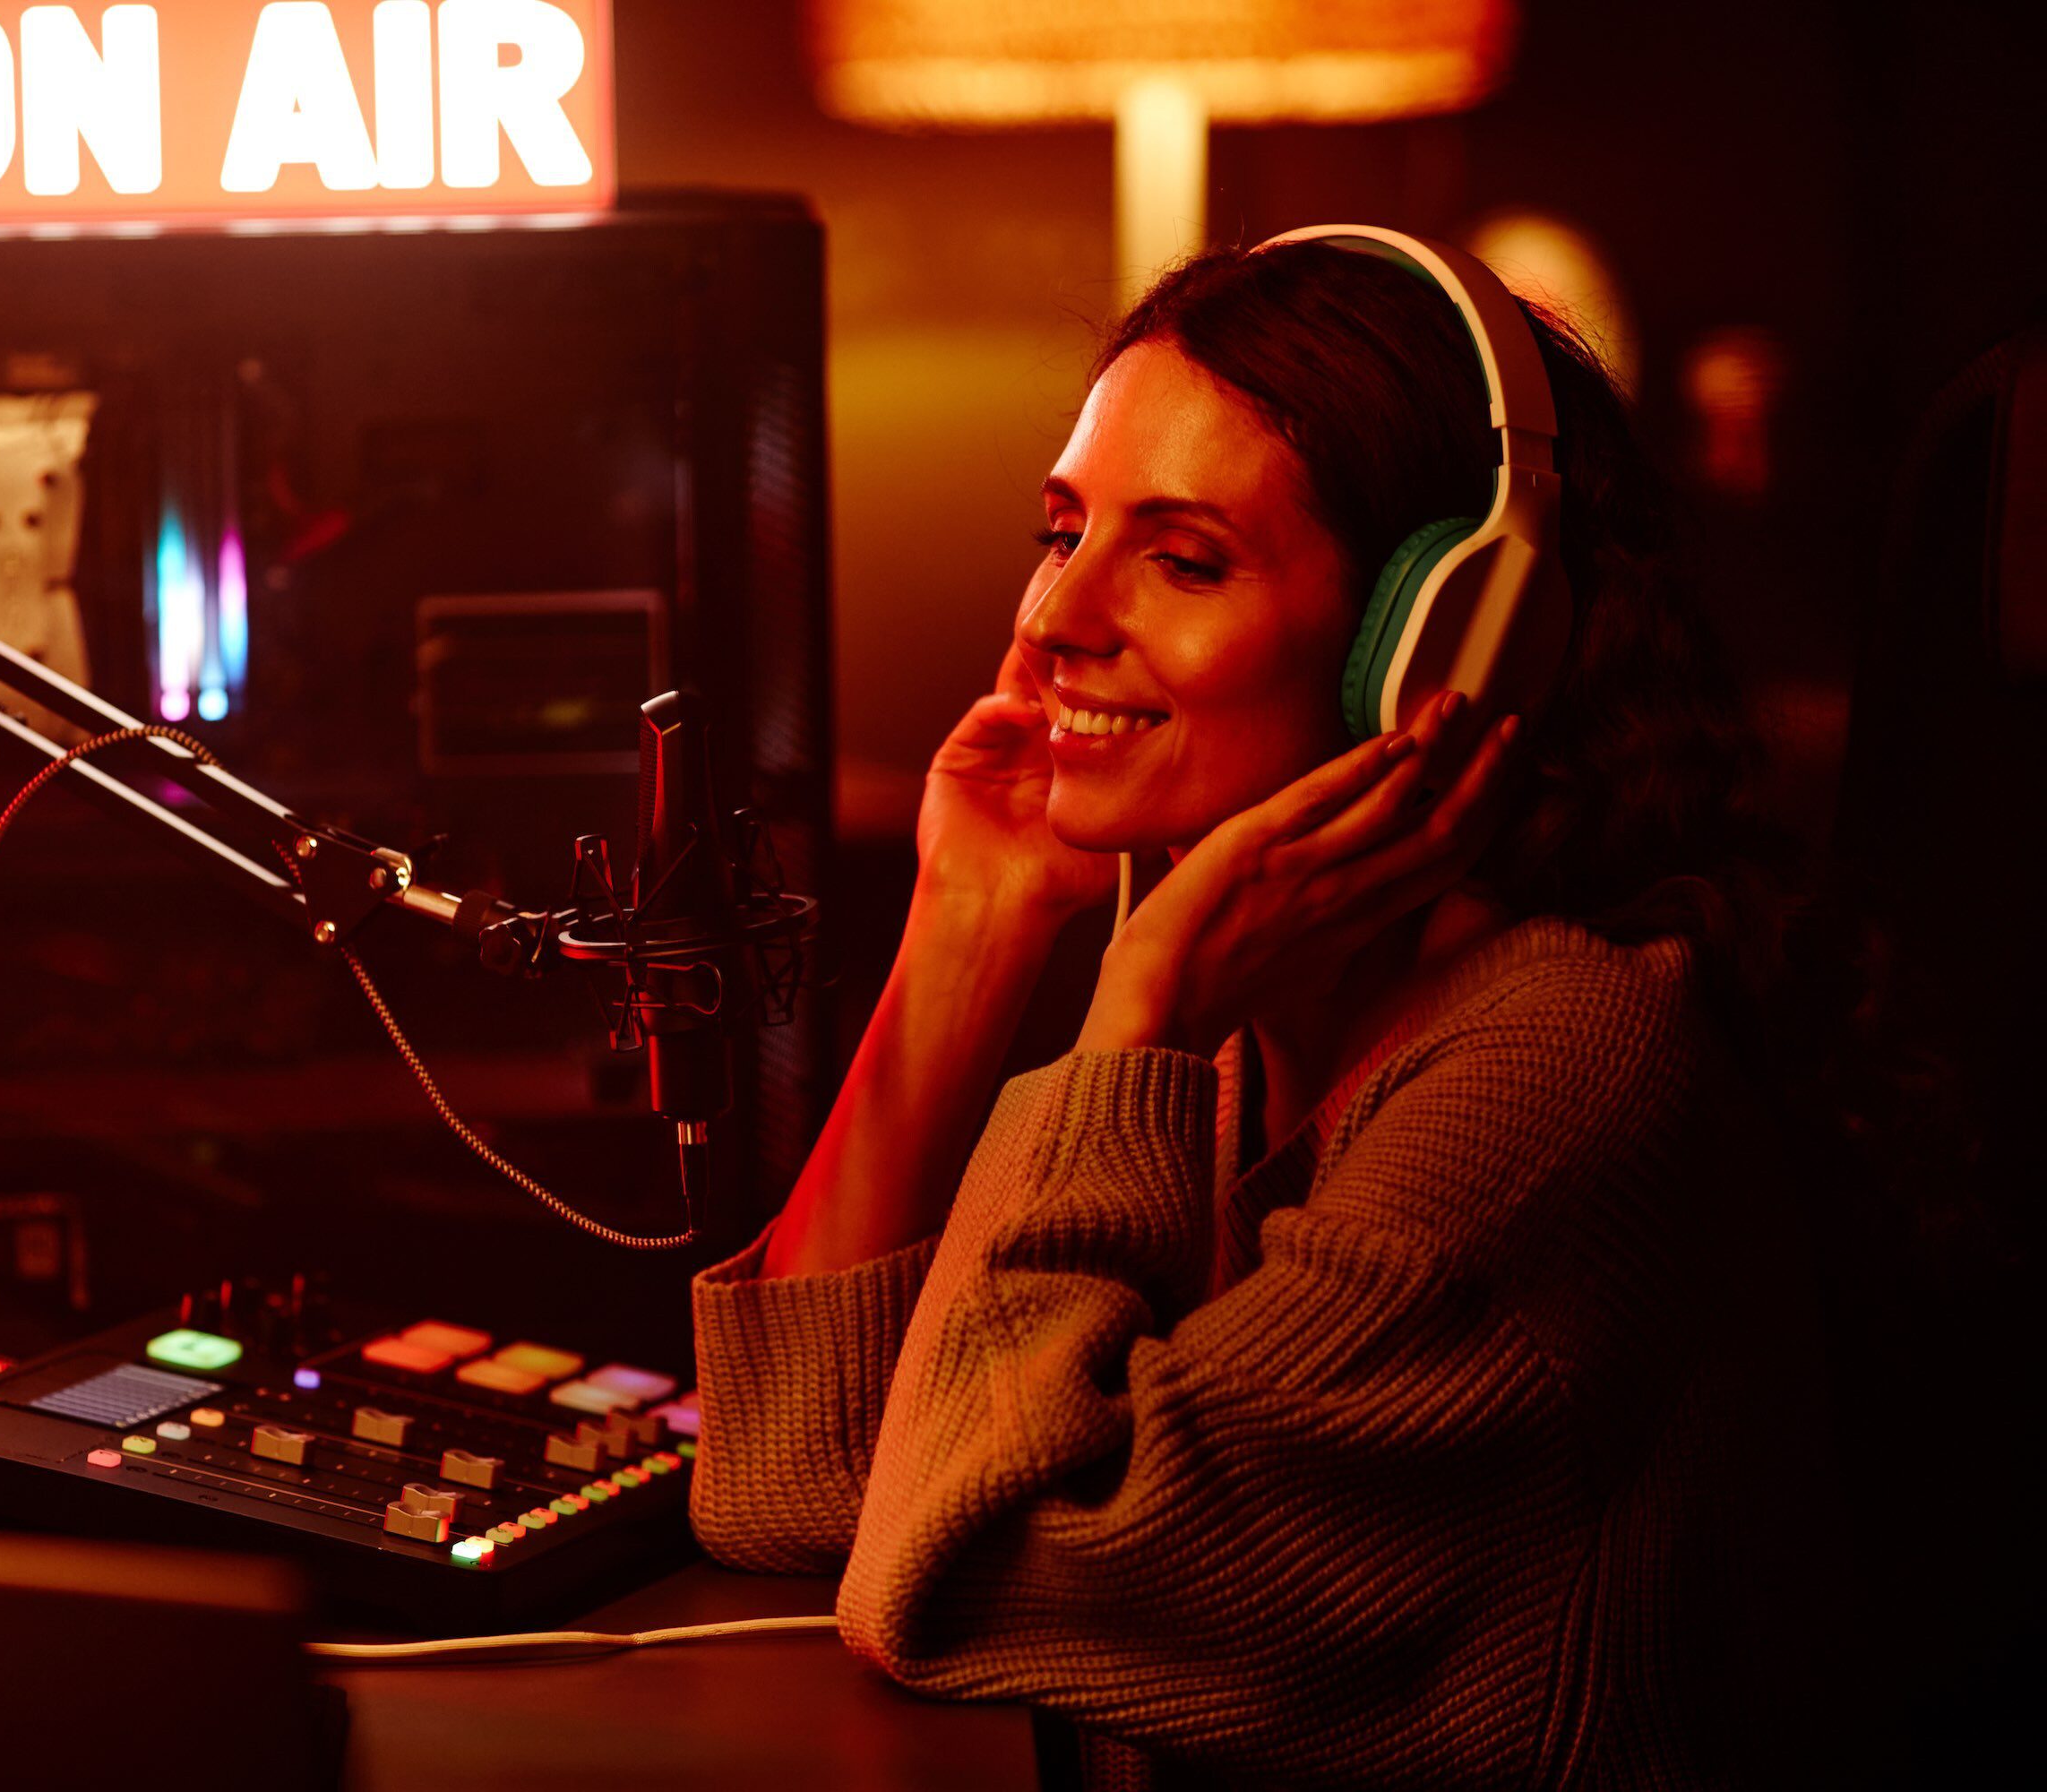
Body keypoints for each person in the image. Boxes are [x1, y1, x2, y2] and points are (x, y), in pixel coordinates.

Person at [688, 237, 1847, 1788]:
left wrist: (1137, 1014)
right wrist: (969, 923)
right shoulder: (1276, 1025)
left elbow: (948, 1580)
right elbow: (785, 1486)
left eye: (1183, 559)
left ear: (1435, 641)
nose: (1054, 623)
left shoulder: (1554, 1072)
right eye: (1062, 532)